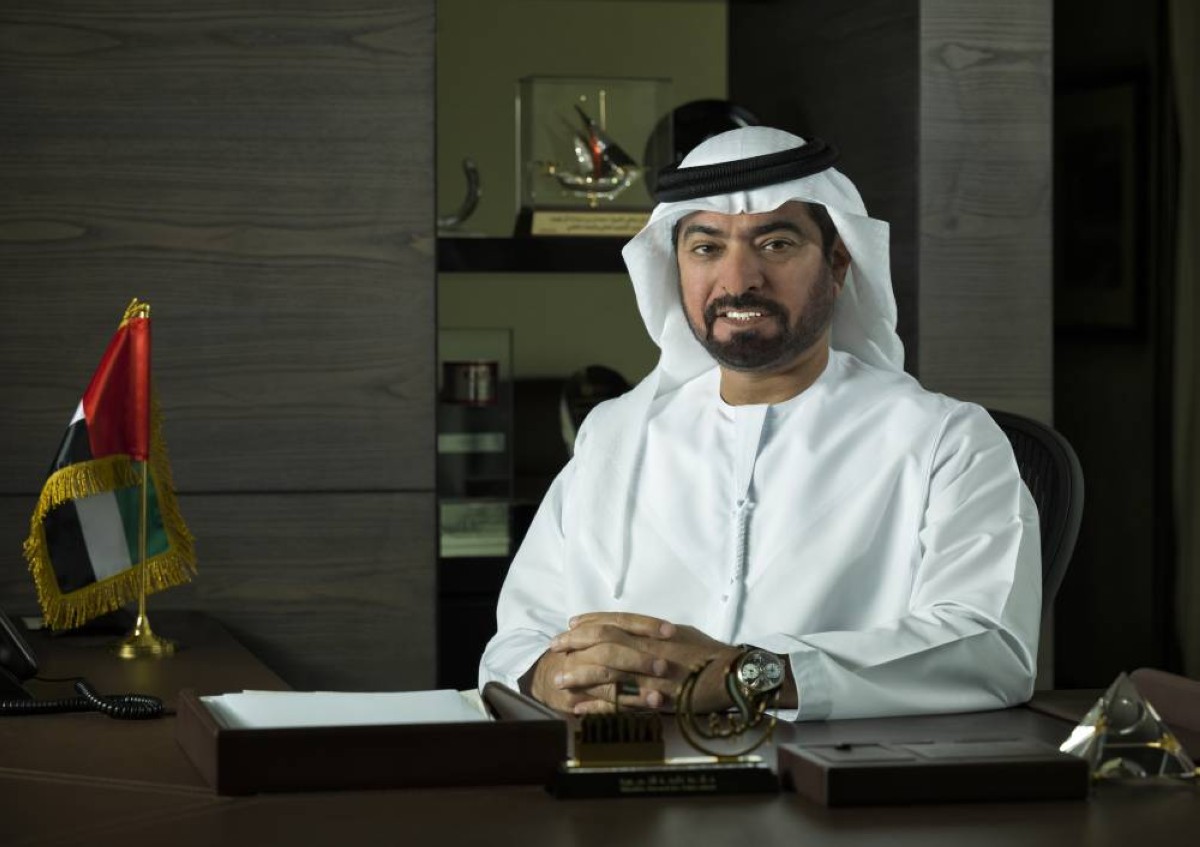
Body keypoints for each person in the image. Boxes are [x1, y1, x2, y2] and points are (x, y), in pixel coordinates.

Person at [479, 127, 1041, 721]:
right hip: (627, 767)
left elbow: (989, 647)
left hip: (837, 770)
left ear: (838, 264)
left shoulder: (945, 440)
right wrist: (549, 677)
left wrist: (747, 676)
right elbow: (517, 639)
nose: (738, 280)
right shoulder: (613, 436)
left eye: (775, 244)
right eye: (706, 248)